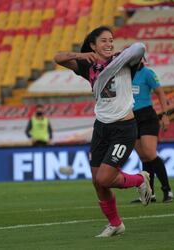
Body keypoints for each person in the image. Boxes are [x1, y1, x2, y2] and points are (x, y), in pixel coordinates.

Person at [54, 26, 152, 237]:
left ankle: (140, 180)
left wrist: (121, 54)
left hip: (124, 128)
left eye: (111, 40)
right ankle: (115, 224)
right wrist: (81, 55)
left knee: (105, 179)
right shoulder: (86, 65)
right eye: (103, 41)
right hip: (101, 127)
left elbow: (139, 47)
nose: (109, 44)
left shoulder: (124, 61)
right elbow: (58, 58)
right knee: (96, 181)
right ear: (93, 45)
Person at [130, 62, 174, 203]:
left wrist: (165, 114)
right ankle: (151, 194)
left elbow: (160, 92)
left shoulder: (147, 73)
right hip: (131, 117)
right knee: (143, 157)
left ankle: (167, 190)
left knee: (150, 153)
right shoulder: (125, 73)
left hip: (147, 116)